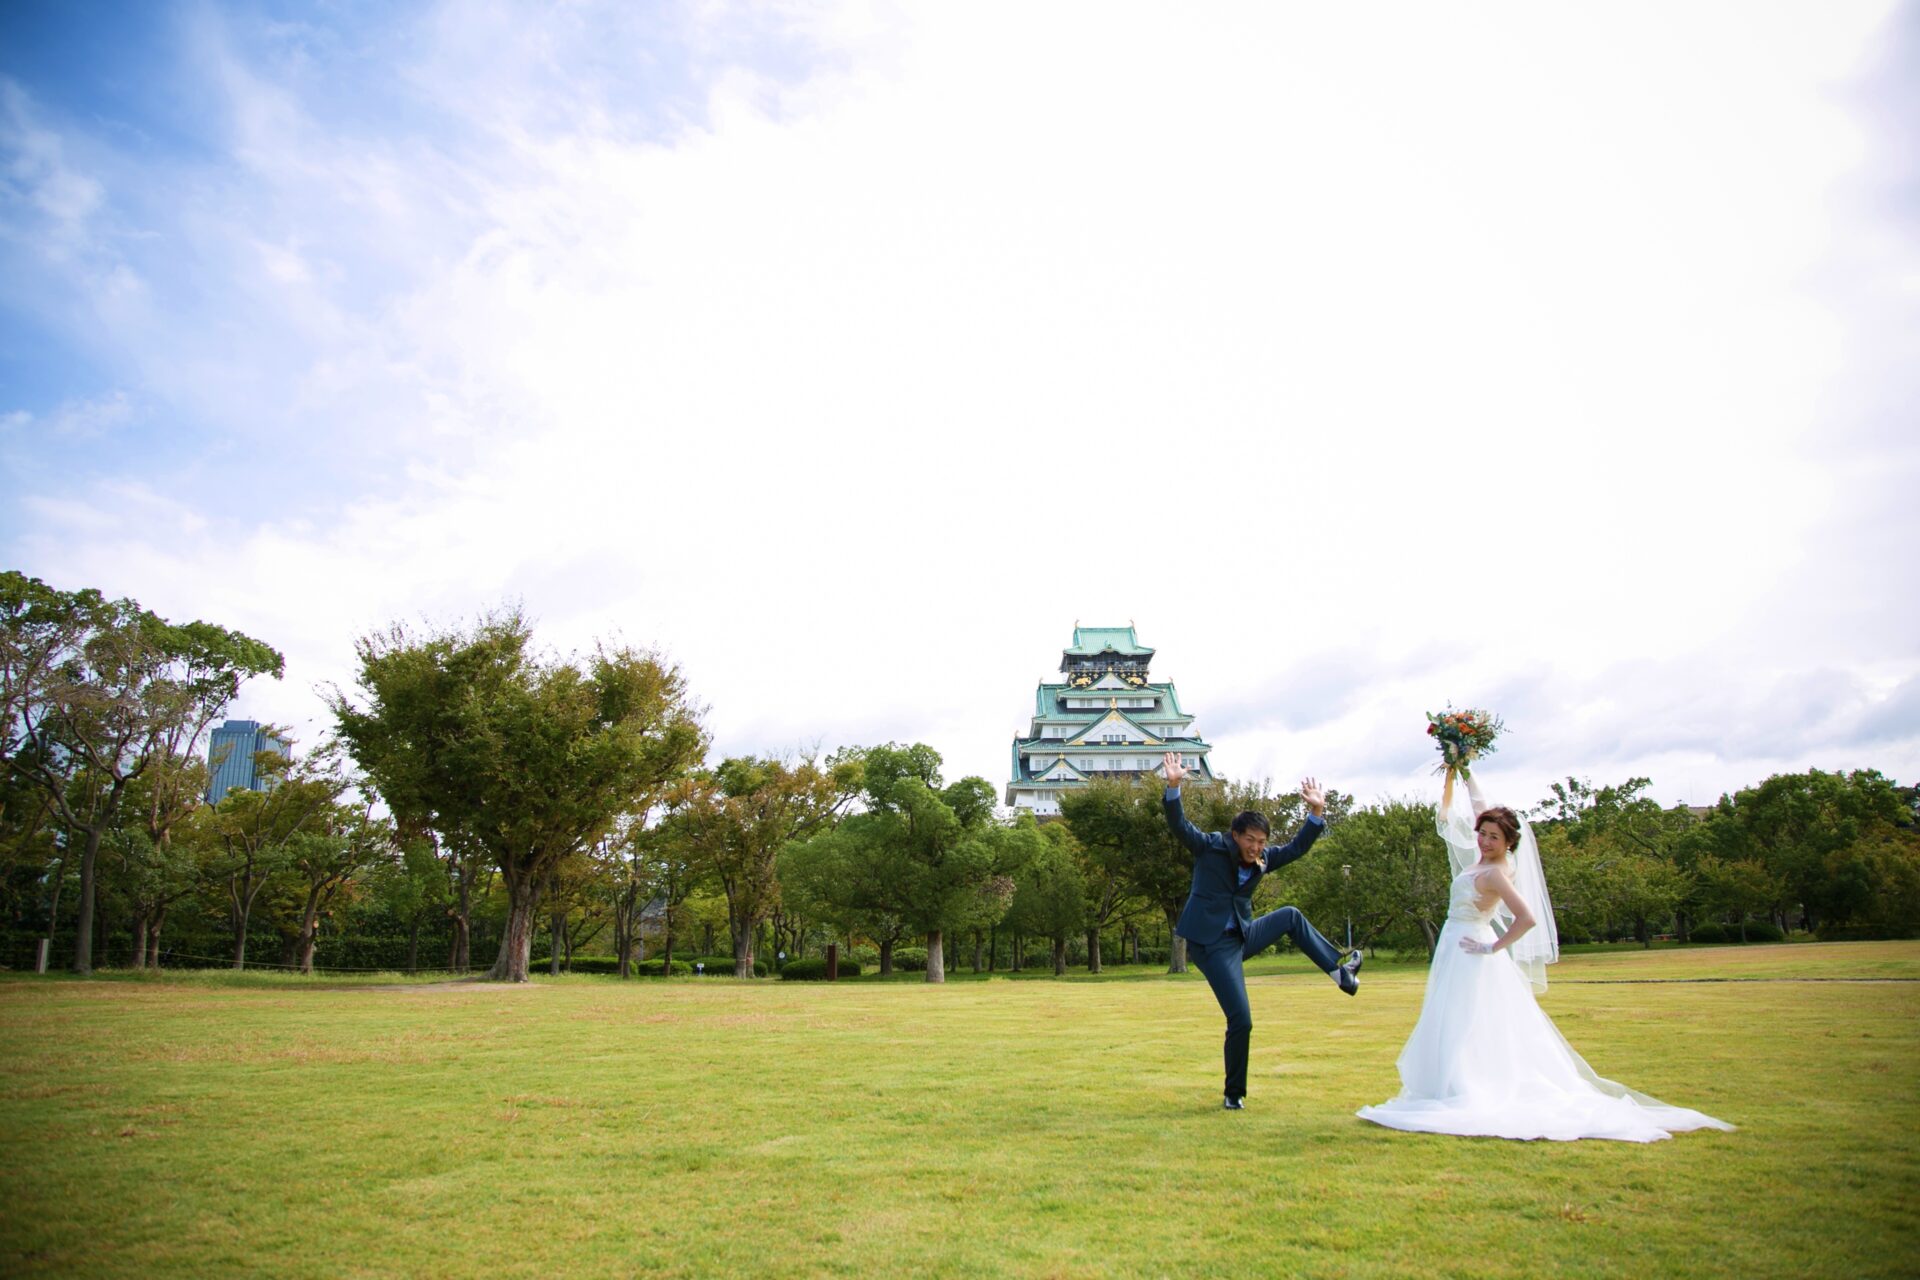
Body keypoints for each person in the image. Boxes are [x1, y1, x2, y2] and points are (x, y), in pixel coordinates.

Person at [1356, 771, 1735, 1142]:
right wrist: (1464, 772)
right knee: (1455, 1018)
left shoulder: (1495, 873)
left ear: (1508, 843)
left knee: (1464, 1018)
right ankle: (1448, 1086)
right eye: (1482, 834)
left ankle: (1465, 1088)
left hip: (1472, 947)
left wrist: (1493, 946)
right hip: (1455, 946)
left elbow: (1527, 917)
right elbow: (1481, 809)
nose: (1485, 841)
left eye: (1493, 837)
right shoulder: (1486, 858)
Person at [1162, 750, 1363, 1111]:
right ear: (1236, 835)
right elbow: (1180, 827)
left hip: (1242, 934)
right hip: (1210, 944)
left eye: (1261, 842)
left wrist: (1316, 812)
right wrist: (1174, 787)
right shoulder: (1210, 848)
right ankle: (1233, 1093)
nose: (1256, 848)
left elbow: (1298, 848)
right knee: (1242, 1019)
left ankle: (1339, 972)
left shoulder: (1262, 860)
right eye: (1250, 840)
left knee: (1290, 915)